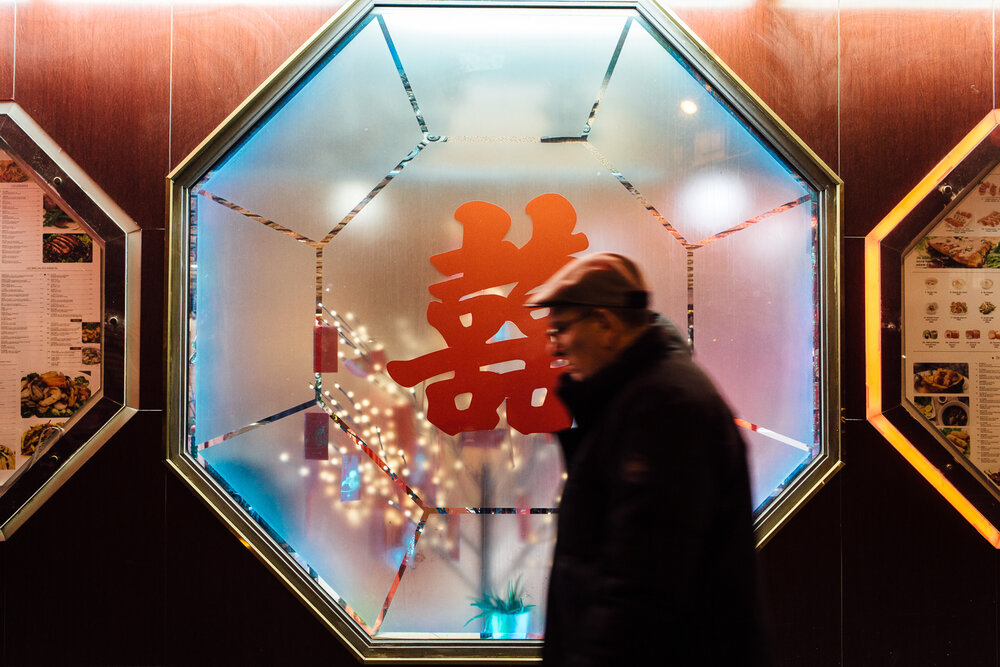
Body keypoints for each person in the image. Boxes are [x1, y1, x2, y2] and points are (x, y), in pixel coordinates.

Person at [525, 252, 769, 667]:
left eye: (561, 329)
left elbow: (642, 585)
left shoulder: (664, 408)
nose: (553, 347)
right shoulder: (638, 398)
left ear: (605, 324)